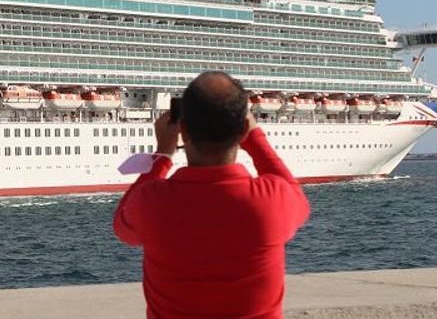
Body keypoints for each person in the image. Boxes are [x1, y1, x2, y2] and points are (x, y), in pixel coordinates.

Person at [113, 71, 310, 318]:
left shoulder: (151, 201)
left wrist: (163, 154)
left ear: (182, 130)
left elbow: (122, 226)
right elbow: (297, 199)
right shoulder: (272, 199)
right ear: (242, 130)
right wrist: (255, 139)